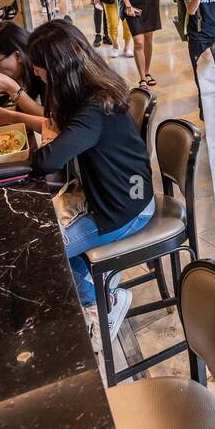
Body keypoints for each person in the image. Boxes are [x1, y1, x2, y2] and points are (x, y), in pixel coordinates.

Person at [26, 20, 155, 347]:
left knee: (48, 250)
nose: (37, 74)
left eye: (39, 69)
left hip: (126, 210)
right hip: (112, 198)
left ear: (56, 68)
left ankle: (100, 304)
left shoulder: (93, 106)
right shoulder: (90, 91)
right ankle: (102, 289)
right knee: (43, 237)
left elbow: (47, 161)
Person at [0, 21, 46, 132]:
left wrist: (11, 87)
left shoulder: (45, 69)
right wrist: (6, 117)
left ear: (17, 56)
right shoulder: (28, 74)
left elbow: (52, 121)